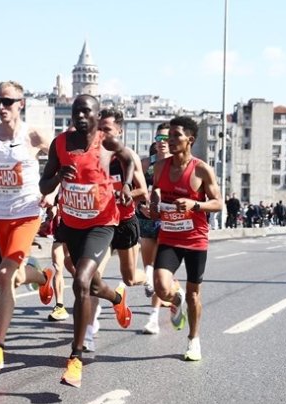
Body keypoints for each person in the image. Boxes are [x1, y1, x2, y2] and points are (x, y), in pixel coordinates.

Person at [39, 94, 135, 387]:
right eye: (76, 112)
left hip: (103, 222)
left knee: (81, 281)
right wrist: (59, 177)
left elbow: (129, 158)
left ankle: (75, 358)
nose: (81, 117)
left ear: (96, 116)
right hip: (72, 223)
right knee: (93, 284)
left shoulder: (106, 142)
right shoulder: (60, 144)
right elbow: (44, 184)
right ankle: (117, 298)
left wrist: (127, 185)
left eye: (87, 112)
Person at [0, 81, 55, 374]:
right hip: (0, 214)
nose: (1, 107)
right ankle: (44, 277)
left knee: (4, 274)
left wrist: (52, 193)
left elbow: (60, 161)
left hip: (28, 212)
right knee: (16, 277)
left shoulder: (33, 135)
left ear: (21, 103)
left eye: (8, 101)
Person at [150, 116, 222, 362]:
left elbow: (218, 203)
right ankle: (174, 296)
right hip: (169, 235)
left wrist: (195, 204)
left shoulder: (201, 169)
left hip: (195, 239)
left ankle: (193, 340)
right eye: (168, 136)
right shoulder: (160, 168)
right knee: (160, 286)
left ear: (189, 140)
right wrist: (152, 209)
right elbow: (154, 201)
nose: (170, 141)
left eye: (176, 136)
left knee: (194, 295)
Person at [82, 108, 148, 351]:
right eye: (99, 128)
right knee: (91, 278)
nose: (102, 134)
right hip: (100, 224)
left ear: (119, 131)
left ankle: (148, 277)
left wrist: (127, 192)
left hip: (124, 222)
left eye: (107, 129)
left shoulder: (127, 155)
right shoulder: (93, 155)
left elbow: (144, 192)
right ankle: (88, 332)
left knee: (130, 277)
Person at [139, 123, 180, 335]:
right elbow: (134, 189)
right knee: (148, 269)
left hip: (168, 221)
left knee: (156, 271)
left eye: (167, 138)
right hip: (146, 220)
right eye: (159, 138)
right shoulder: (146, 164)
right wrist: (140, 205)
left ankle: (153, 318)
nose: (162, 143)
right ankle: (175, 289)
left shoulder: (178, 166)